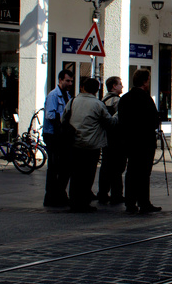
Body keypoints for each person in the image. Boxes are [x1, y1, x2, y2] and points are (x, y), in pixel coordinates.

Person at [66, 77, 118, 213]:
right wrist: (117, 115)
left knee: (75, 174)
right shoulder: (97, 104)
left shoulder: (72, 101)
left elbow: (63, 118)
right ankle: (84, 202)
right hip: (92, 144)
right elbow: (109, 122)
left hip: (75, 143)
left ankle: (74, 200)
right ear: (96, 90)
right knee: (88, 174)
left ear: (83, 87)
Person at [118, 69, 161, 214]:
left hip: (129, 141)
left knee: (131, 172)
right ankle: (144, 202)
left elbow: (121, 120)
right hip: (144, 141)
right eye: (148, 80)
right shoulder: (145, 98)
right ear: (145, 81)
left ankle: (130, 203)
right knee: (143, 173)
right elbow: (154, 121)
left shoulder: (125, 98)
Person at [43, 69, 74, 207]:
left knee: (64, 166)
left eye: (71, 81)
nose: (70, 83)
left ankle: (60, 193)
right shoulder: (53, 95)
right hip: (53, 134)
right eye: (67, 80)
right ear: (60, 80)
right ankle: (51, 196)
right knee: (54, 167)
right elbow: (50, 115)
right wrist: (62, 123)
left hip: (61, 135)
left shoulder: (67, 95)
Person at [98, 76, 127, 206]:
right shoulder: (118, 101)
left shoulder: (103, 100)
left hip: (105, 138)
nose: (122, 86)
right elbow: (122, 120)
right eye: (120, 84)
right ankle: (117, 194)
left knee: (105, 166)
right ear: (114, 86)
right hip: (117, 138)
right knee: (117, 167)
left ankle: (103, 192)